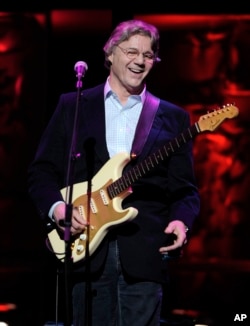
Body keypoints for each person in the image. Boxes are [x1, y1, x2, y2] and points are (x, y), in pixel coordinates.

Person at [28, 19, 200, 326]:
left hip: (145, 253)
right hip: (85, 255)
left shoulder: (172, 117)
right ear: (111, 53)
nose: (140, 61)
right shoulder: (74, 105)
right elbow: (41, 172)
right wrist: (58, 208)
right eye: (132, 51)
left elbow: (185, 189)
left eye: (148, 55)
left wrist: (180, 220)